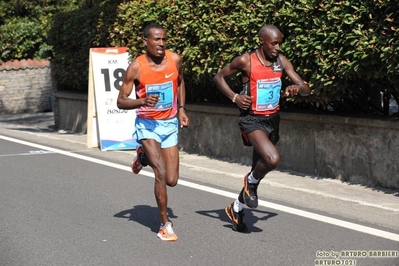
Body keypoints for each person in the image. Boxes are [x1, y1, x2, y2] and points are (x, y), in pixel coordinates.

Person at [213, 24, 310, 232]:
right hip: (252, 120)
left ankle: (236, 208)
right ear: (262, 42)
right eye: (273, 43)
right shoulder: (246, 61)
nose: (277, 48)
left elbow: (306, 89)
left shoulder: (281, 61)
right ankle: (250, 182)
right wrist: (235, 97)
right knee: (272, 159)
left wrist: (298, 87)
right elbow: (218, 77)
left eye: (279, 43)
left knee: (259, 170)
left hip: (272, 120)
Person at [117, 22, 189, 241]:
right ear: (145, 41)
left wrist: (182, 109)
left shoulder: (175, 59)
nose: (161, 43)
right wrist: (141, 100)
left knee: (172, 180)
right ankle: (164, 225)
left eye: (164, 39)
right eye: (156, 39)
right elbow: (121, 101)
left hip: (168, 124)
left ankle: (142, 157)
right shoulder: (136, 67)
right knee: (160, 171)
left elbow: (180, 82)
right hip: (147, 125)